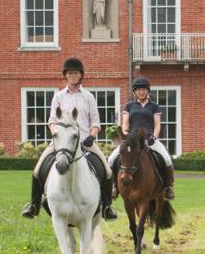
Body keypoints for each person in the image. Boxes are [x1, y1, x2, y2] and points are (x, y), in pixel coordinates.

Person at [21, 58, 116, 220]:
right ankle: (34, 205)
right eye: (70, 73)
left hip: (85, 141)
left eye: (76, 73)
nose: (73, 76)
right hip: (62, 143)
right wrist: (56, 134)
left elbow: (95, 122)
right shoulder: (58, 96)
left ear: (81, 75)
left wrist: (92, 137)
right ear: (65, 75)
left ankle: (107, 207)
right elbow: (52, 120)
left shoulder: (88, 97)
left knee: (107, 171)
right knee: (37, 170)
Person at [107, 77, 175, 201]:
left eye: (144, 89)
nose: (141, 92)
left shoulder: (154, 106)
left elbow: (157, 124)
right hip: (132, 140)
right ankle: (113, 187)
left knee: (167, 159)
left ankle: (168, 187)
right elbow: (125, 123)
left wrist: (154, 137)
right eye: (139, 90)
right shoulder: (129, 106)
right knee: (111, 159)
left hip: (149, 139)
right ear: (134, 92)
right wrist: (126, 135)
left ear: (147, 91)